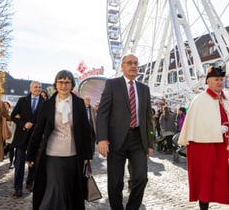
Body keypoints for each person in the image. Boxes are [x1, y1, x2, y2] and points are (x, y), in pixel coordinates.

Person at [178, 66, 229, 210]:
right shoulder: (200, 100)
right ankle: (203, 207)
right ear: (208, 81)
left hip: (227, 144)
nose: (219, 82)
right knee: (206, 177)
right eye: (216, 80)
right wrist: (215, 130)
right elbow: (195, 125)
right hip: (207, 145)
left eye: (221, 80)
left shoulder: (225, 99)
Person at [26, 70, 93, 210]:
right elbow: (38, 130)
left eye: (67, 82)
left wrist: (88, 155)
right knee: (56, 187)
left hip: (73, 154)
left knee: (69, 188)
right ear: (55, 84)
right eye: (60, 82)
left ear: (72, 85)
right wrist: (31, 154)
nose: (64, 85)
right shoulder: (47, 104)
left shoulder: (79, 104)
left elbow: (86, 131)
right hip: (52, 153)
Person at [96, 53, 154, 210]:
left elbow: (148, 118)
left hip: (138, 139)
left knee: (141, 178)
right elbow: (103, 113)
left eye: (136, 63)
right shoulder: (112, 85)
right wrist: (102, 139)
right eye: (129, 63)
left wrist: (150, 143)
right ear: (122, 66)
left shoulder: (144, 89)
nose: (133, 65)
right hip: (116, 140)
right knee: (115, 182)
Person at [10, 81, 43, 198]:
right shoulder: (22, 100)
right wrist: (24, 123)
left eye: (39, 87)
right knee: (19, 164)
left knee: (33, 163)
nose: (38, 89)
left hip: (36, 138)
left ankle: (30, 183)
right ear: (30, 88)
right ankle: (17, 188)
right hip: (21, 137)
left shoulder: (45, 103)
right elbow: (13, 116)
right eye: (35, 87)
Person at [3, 100, 16, 169]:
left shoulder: (12, 113)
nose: (5, 106)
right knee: (8, 146)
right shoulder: (1, 114)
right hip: (5, 132)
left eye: (6, 105)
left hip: (12, 131)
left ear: (9, 106)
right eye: (4, 105)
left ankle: (11, 163)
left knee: (11, 147)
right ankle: (4, 152)